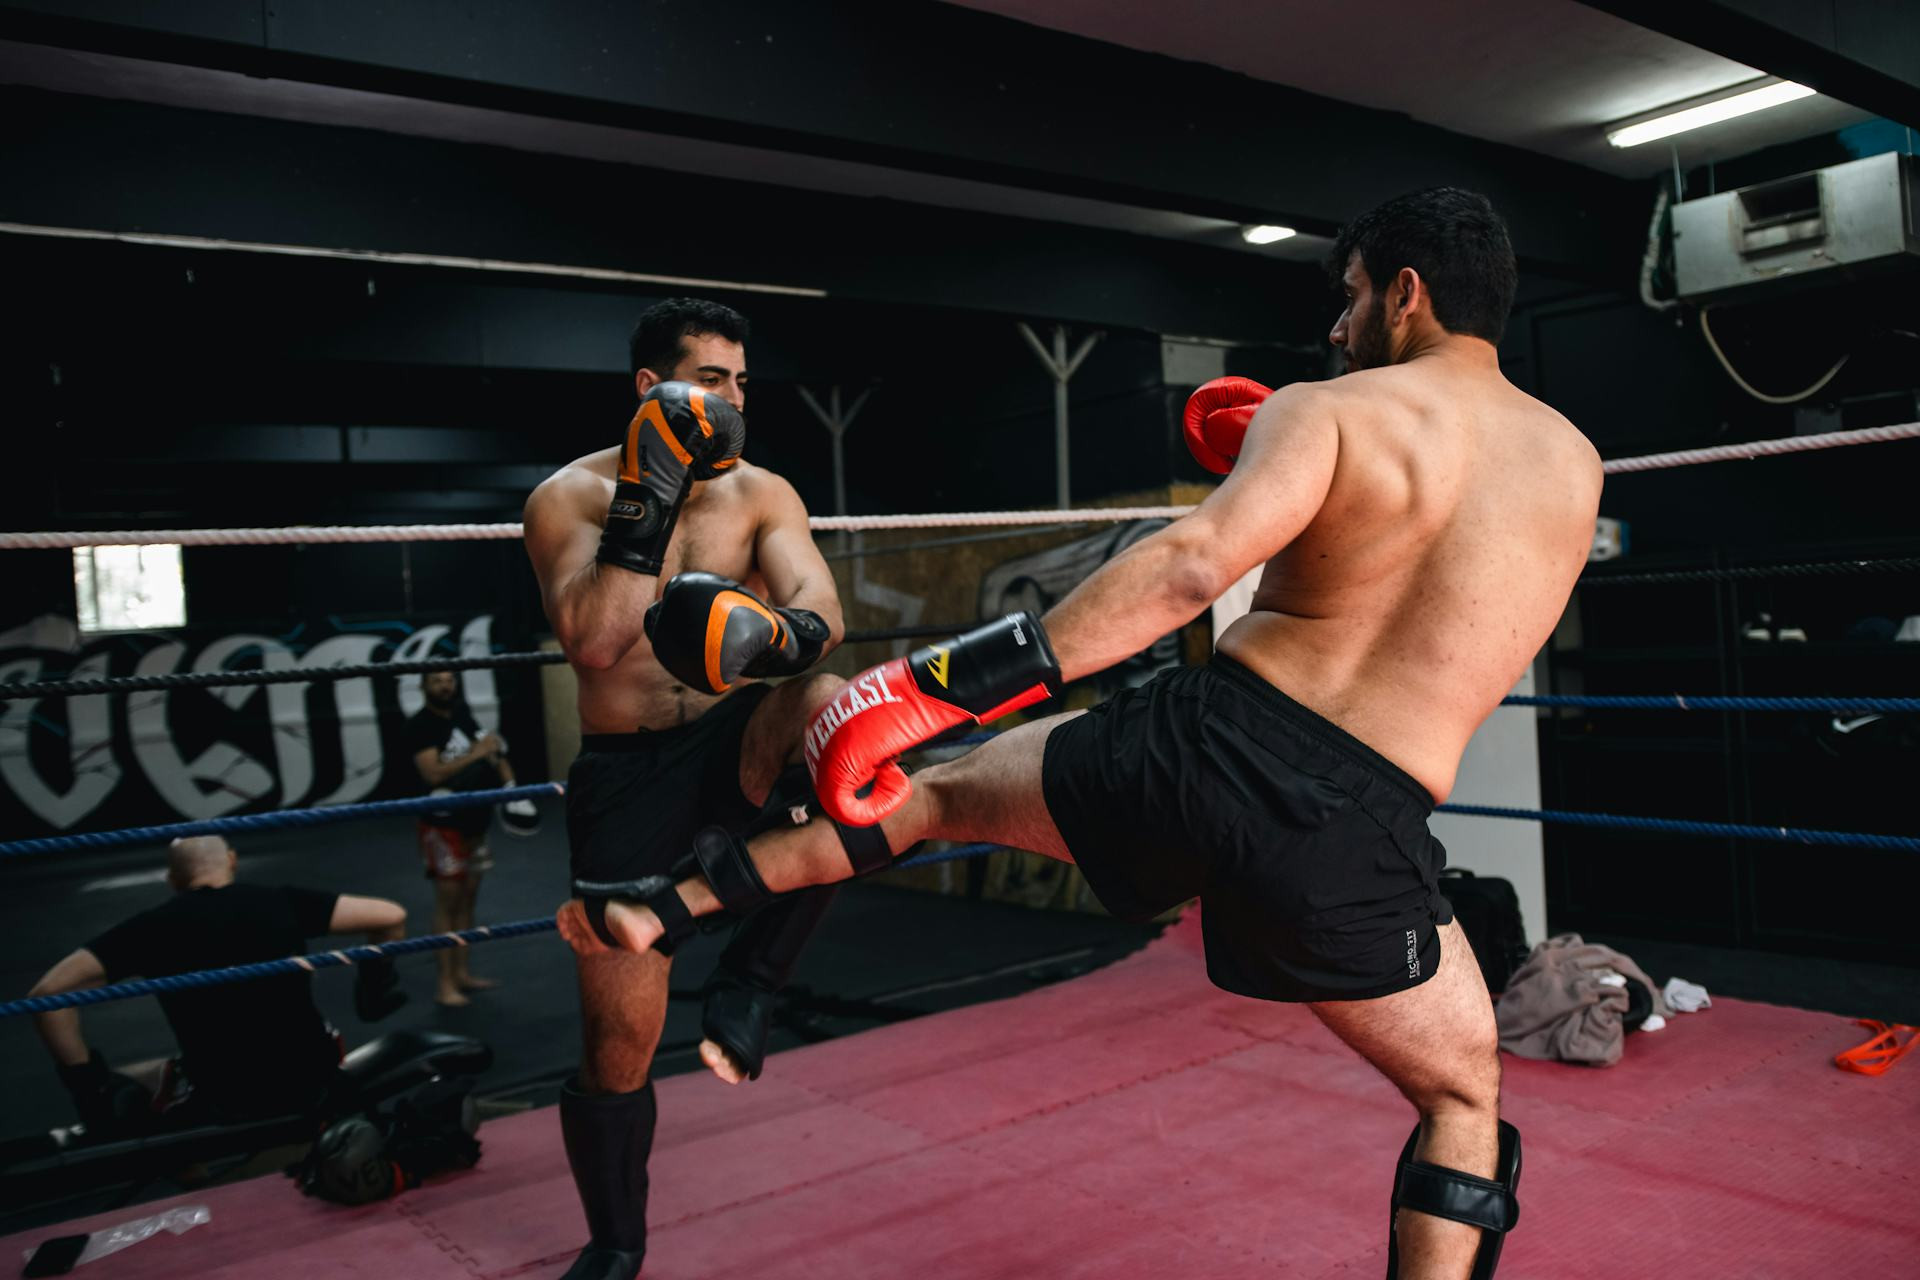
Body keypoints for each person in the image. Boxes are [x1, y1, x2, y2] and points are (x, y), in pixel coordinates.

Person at [559, 190, 1606, 1280]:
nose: (1338, 329)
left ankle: (661, 907)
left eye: (1350, 299)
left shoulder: (1331, 410)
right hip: (1355, 830)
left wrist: (937, 686)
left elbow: (1193, 568)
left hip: (1198, 751)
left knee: (930, 792)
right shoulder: (1573, 463)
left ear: (1406, 292)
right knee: (1461, 1097)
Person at [522, 297, 850, 1280]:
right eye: (711, 380)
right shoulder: (566, 499)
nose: (734, 400)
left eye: (741, 382)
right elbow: (595, 642)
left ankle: (753, 978)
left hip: (732, 740)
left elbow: (823, 609)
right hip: (627, 778)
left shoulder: (762, 492)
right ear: (650, 388)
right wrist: (652, 491)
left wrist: (775, 636)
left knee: (837, 708)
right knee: (619, 1039)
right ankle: (617, 1242)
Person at [28, 835, 410, 1134]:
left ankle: (194, 1178)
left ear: (172, 880)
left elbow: (48, 994)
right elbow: (390, 916)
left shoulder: (150, 928)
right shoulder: (281, 902)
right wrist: (373, 989)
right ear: (232, 861)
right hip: (313, 1078)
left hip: (224, 1093)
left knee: (134, 1086)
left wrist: (88, 1089)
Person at [406, 668, 528, 1006]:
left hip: (476, 820)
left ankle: (461, 973)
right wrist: (476, 752)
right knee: (448, 901)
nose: (445, 686)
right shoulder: (420, 725)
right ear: (424, 686)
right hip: (441, 824)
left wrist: (512, 790)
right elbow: (432, 773)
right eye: (437, 681)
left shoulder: (462, 714)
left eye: (449, 680)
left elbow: (493, 750)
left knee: (468, 897)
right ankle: (444, 984)